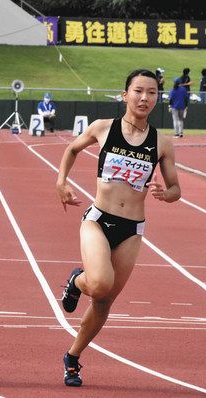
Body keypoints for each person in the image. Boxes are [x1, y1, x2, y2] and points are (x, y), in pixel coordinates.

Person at [56, 69, 181, 387]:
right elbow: (71, 149)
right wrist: (61, 183)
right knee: (99, 283)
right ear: (124, 95)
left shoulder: (161, 143)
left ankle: (72, 358)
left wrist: (165, 195)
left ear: (157, 98)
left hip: (132, 229)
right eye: (138, 91)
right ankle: (77, 280)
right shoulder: (103, 128)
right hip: (98, 219)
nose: (144, 98)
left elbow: (175, 188)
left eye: (151, 92)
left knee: (103, 301)